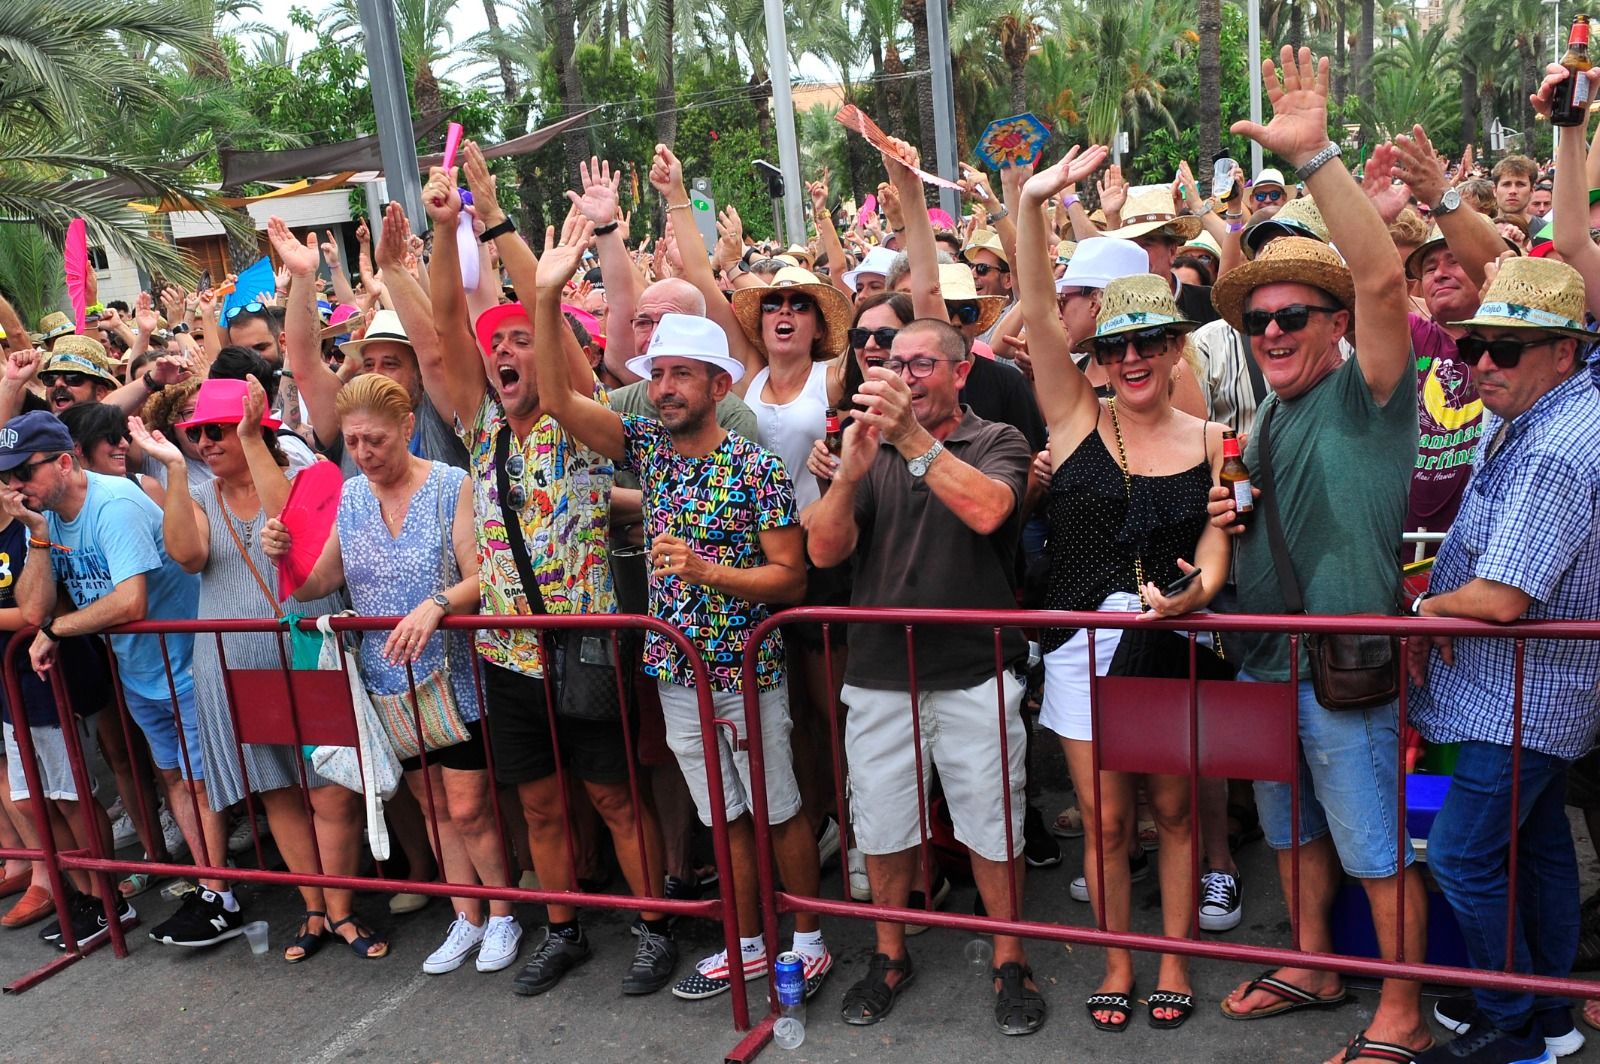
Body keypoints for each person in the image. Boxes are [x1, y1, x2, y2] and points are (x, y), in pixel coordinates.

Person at [530, 205, 831, 1001]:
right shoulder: (650, 449)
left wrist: (707, 571)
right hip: (675, 665)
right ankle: (750, 941)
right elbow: (558, 399)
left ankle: (809, 938)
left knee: (778, 808)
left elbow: (791, 580)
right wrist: (545, 295)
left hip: (746, 665)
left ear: (717, 385)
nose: (661, 389)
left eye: (678, 376)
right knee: (722, 811)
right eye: (656, 375)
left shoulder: (755, 467)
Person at [1207, 48, 1430, 1064]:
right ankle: (1311, 959)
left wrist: (1316, 157)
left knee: (1375, 847)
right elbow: (1245, 512)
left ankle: (1402, 1011)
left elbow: (1383, 271)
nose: (1270, 330)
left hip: (1343, 667)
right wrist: (1224, 521)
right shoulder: (1261, 419)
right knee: (1290, 828)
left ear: (1337, 325)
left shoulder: (1368, 394)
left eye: (1292, 314)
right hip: (1266, 661)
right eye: (1257, 319)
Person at [417, 142, 674, 999]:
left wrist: (507, 236)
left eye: (523, 342)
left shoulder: (582, 420)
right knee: (538, 806)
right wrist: (442, 227)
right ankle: (561, 927)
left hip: (588, 645)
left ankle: (651, 926)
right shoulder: (482, 432)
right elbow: (448, 331)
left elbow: (557, 338)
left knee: (613, 799)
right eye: (502, 349)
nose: (506, 354)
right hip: (511, 653)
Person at [1017, 145, 1231, 1032]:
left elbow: (1220, 543)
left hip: (1170, 644)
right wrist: (1031, 202)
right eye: (1117, 345)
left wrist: (1196, 594)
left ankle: (1175, 960)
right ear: (1096, 356)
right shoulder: (1072, 421)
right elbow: (1033, 307)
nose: (1133, 357)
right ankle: (1117, 958)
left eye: (1150, 341)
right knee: (1105, 822)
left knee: (1176, 813)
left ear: (1177, 347)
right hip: (1081, 652)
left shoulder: (1217, 438)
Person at [805, 316, 1042, 1035]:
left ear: (960, 371)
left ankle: (1010, 960)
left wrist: (910, 439)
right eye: (893, 363)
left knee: (993, 826)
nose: (902, 376)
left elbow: (992, 510)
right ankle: (888, 955)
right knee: (880, 824)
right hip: (880, 672)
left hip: (972, 669)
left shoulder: (997, 438)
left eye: (920, 365)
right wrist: (849, 469)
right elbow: (823, 551)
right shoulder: (869, 449)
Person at [262, 374, 519, 977]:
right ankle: (468, 917)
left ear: (407, 428)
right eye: (352, 442)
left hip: (451, 676)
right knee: (431, 807)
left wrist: (438, 605)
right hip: (385, 678)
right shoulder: (351, 496)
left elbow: (483, 576)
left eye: (375, 439)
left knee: (471, 806)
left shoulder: (451, 485)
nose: (363, 453)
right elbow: (321, 580)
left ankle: (504, 914)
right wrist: (283, 549)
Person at [1406, 256, 1597, 1064]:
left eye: (1507, 348)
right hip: (1530, 695)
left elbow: (1502, 599)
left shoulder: (1558, 444)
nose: (1482, 361)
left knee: (1459, 854)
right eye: (1475, 344)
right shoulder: (1553, 410)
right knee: (1539, 847)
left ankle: (1509, 1016)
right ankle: (1548, 1010)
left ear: (1565, 353)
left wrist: (1422, 608)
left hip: (1520, 698)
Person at [128, 378, 380, 960]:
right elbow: (187, 557)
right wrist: (170, 469)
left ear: (256, 431)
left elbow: (293, 532)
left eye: (218, 430)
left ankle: (342, 910)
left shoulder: (304, 480)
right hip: (233, 669)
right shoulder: (197, 497)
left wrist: (251, 439)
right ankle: (314, 910)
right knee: (278, 792)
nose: (206, 442)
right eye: (197, 433)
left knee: (331, 790)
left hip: (308, 655)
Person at [0, 411, 227, 950]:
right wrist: (34, 536)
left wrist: (58, 627)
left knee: (198, 784)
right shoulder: (49, 516)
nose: (13, 487)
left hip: (187, 666)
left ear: (61, 462)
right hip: (142, 669)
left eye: (22, 474)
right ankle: (209, 885)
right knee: (175, 781)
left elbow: (130, 601)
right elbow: (36, 604)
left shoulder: (114, 503)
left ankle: (221, 896)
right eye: (5, 477)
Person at [267, 216, 469, 473]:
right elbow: (305, 366)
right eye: (369, 364)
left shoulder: (442, 413)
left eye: (390, 363)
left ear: (420, 374)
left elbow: (436, 353)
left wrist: (393, 267)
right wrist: (303, 277)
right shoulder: (346, 422)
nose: (376, 373)